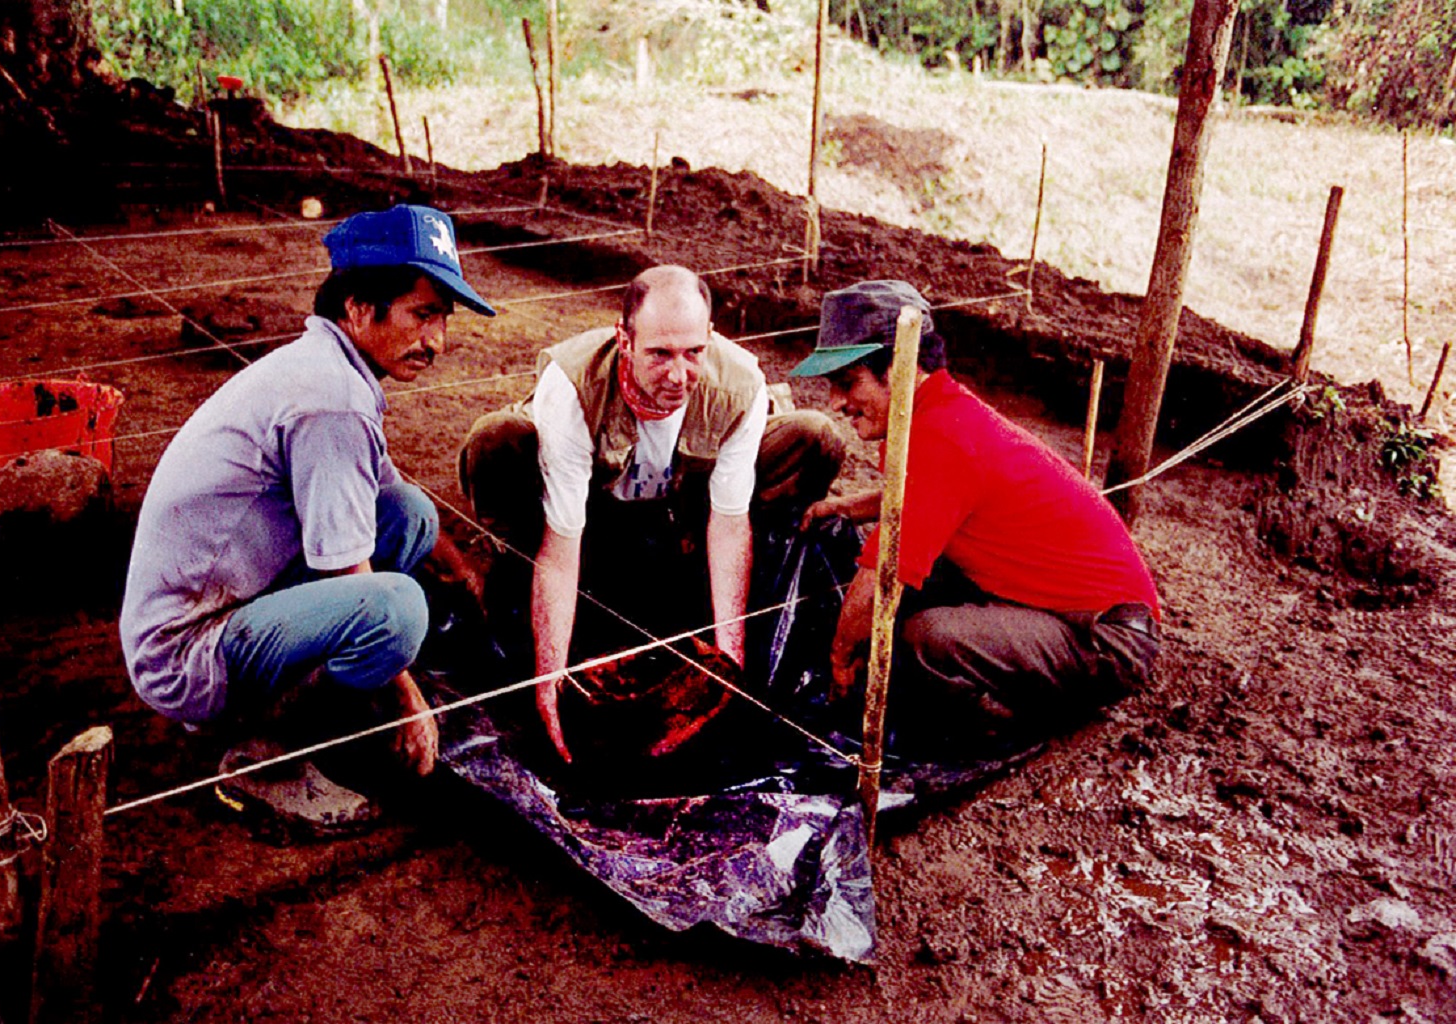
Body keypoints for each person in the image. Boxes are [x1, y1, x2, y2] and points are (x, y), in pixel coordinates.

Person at [120, 204, 494, 828]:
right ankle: (269, 753)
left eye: (442, 320)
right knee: (397, 610)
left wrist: (467, 577)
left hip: (229, 602)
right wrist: (409, 700)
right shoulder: (332, 399)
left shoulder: (329, 367)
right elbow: (350, 579)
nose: (437, 342)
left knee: (410, 516)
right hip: (185, 652)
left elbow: (389, 493)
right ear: (355, 305)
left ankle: (302, 692)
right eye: (421, 315)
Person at [459, 265, 844, 761]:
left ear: (710, 336)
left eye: (694, 353)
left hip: (680, 512)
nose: (678, 375)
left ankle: (689, 571)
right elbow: (562, 542)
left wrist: (728, 669)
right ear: (624, 339)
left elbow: (729, 525)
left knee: (812, 435)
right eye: (659, 354)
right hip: (592, 517)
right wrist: (549, 680)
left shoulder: (741, 380)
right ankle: (516, 576)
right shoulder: (572, 385)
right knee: (497, 438)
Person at [790, 280, 1160, 752]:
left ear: (901, 369)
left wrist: (841, 658)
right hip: (1064, 608)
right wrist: (845, 506)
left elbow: (881, 573)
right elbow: (914, 499)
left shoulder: (942, 440)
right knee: (919, 597)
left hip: (1109, 640)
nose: (836, 404)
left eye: (848, 383)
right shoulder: (939, 415)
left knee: (927, 638)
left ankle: (1013, 725)